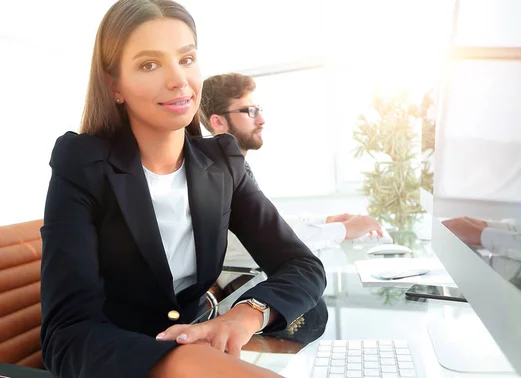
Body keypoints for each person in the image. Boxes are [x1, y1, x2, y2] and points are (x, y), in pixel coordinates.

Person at [39, 1, 326, 377]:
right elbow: (67, 336)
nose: (179, 80)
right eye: (149, 65)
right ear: (115, 85)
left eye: (187, 59)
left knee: (311, 311)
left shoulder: (222, 160)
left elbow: (302, 265)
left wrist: (245, 316)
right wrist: (191, 362)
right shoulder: (82, 163)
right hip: (124, 360)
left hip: (199, 340)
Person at [199, 73, 384, 291]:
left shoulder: (235, 167)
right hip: (247, 289)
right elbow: (265, 236)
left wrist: (328, 219)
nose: (261, 119)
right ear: (218, 121)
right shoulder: (216, 177)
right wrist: (343, 229)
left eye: (258, 109)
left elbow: (264, 221)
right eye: (250, 111)